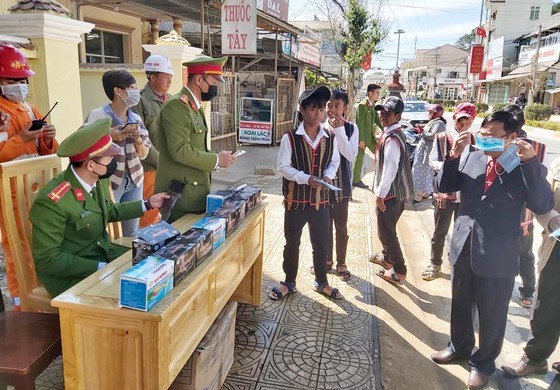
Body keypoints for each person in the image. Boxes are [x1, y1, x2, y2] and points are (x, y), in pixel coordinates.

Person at [430, 111, 554, 390]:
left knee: (492, 313)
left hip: (498, 254)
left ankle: (483, 364)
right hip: (464, 245)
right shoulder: (472, 156)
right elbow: (443, 186)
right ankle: (458, 347)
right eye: (482, 134)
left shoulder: (524, 167)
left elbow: (542, 203)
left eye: (491, 136)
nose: (483, 140)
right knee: (460, 305)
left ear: (511, 138)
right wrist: (452, 155)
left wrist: (532, 163)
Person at [29, 118, 169, 298]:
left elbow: (109, 211)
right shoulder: (52, 202)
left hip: (101, 254)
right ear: (90, 164)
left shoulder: (98, 179)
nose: (114, 161)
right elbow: (49, 260)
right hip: (71, 275)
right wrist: (102, 269)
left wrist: (148, 203)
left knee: (154, 265)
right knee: (136, 292)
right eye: (110, 158)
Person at [0, 44, 59, 309]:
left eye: (22, 80)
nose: (19, 85)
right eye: (12, 81)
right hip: (9, 192)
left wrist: (48, 138)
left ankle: (41, 293)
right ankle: (21, 301)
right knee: (18, 249)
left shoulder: (31, 109)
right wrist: (19, 139)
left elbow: (45, 151)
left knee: (41, 244)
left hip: (37, 186)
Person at [272, 86, 342, 300]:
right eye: (313, 109)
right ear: (302, 110)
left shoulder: (330, 137)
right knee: (292, 243)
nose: (318, 114)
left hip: (320, 202)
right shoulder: (290, 138)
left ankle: (321, 282)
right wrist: (306, 179)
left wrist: (328, 175)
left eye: (321, 109)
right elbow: (282, 167)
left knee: (321, 244)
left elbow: (334, 161)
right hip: (296, 202)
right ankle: (289, 282)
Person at [501, 155, 560, 389]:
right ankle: (535, 359)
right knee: (545, 305)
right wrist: (551, 222)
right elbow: (543, 202)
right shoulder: (558, 164)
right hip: (556, 245)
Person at [154, 55, 237, 221]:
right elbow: (179, 150)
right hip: (181, 195)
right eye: (214, 83)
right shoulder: (177, 106)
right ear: (199, 79)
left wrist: (217, 160)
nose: (216, 88)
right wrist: (215, 160)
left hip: (194, 191)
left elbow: (196, 146)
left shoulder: (194, 107)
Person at [85, 70, 151, 237]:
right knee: (110, 229)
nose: (136, 92)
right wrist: (110, 136)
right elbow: (85, 147)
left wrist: (137, 139)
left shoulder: (135, 118)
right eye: (132, 87)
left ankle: (130, 261)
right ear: (118, 91)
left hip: (135, 179)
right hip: (110, 180)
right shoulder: (98, 116)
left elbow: (144, 154)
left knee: (131, 231)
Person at [421, 102, 477, 281]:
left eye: (467, 122)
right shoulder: (442, 138)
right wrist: (449, 165)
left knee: (463, 232)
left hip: (465, 194)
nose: (463, 125)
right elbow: (433, 161)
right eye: (461, 120)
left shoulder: (474, 140)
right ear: (454, 118)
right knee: (440, 231)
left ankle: (457, 263)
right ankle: (435, 263)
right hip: (445, 194)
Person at [502, 104, 544, 308]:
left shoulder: (533, 146)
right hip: (502, 206)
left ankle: (528, 290)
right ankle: (507, 287)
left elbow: (538, 178)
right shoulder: (498, 142)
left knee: (524, 252)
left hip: (522, 210)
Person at [369, 96, 414, 284]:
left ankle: (400, 270)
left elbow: (390, 168)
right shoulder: (390, 132)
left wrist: (380, 195)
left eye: (387, 113)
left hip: (391, 194)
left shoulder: (393, 138)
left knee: (386, 232)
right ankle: (387, 260)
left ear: (398, 115)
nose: (383, 116)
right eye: (382, 112)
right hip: (395, 192)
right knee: (385, 229)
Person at [132, 54, 174, 228]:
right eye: (166, 77)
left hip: (169, 167)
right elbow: (140, 138)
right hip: (149, 168)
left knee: (167, 212)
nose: (169, 81)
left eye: (171, 78)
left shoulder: (171, 100)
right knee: (149, 216)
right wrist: (161, 161)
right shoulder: (139, 101)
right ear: (152, 77)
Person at [325, 88, 359, 280]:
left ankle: (342, 262)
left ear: (345, 107)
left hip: (342, 184)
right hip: (323, 183)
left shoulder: (351, 128)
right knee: (324, 225)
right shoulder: (321, 126)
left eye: (337, 105)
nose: (332, 109)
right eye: (330, 105)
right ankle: (327, 260)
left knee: (341, 226)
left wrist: (338, 130)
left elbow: (351, 155)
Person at [411, 103, 447, 203]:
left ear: (436, 113)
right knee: (422, 171)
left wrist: (422, 131)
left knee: (422, 172)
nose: (429, 113)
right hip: (423, 150)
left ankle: (419, 194)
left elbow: (433, 136)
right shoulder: (433, 122)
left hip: (428, 152)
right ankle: (425, 192)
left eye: (431, 112)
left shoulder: (439, 123)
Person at [353, 84, 382, 189]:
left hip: (370, 137)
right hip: (363, 139)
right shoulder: (362, 105)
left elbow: (376, 119)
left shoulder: (372, 105)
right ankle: (356, 180)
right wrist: (361, 140)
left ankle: (381, 178)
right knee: (359, 158)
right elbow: (359, 123)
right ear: (370, 93)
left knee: (380, 154)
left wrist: (385, 129)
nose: (378, 95)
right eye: (377, 93)